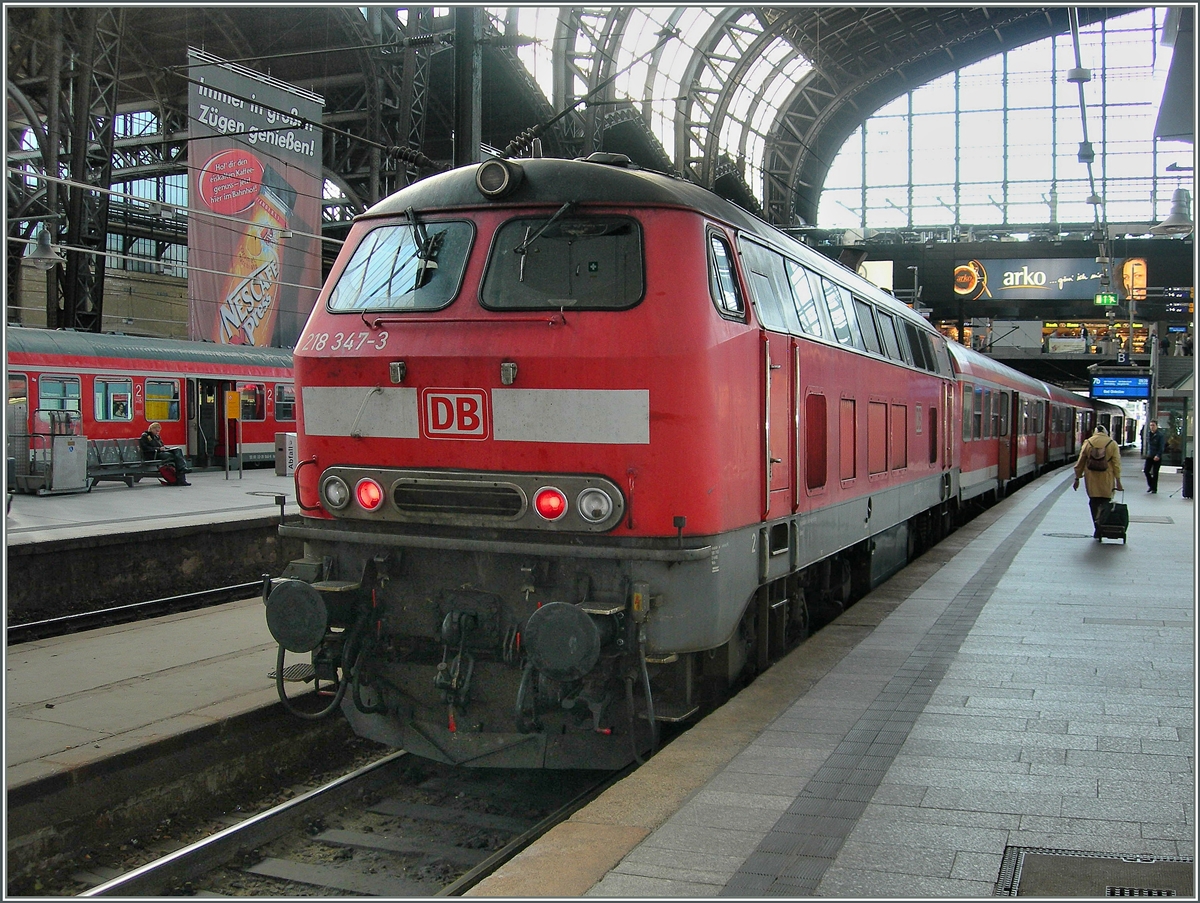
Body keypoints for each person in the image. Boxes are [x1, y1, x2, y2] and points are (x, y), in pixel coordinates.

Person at [1073, 424, 1122, 538]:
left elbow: (1080, 462)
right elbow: (1116, 464)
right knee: (1105, 503)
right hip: (1107, 478)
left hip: (1091, 478)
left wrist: (1077, 478)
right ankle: (1103, 525)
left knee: (1093, 502)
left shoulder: (1088, 442)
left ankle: (1097, 527)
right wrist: (1118, 481)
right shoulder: (1112, 443)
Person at [139, 422, 191, 486]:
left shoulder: (157, 436)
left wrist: (165, 448)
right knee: (176, 458)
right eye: (156, 431)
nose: (157, 432)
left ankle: (182, 469)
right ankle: (182, 475)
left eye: (158, 431)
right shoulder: (145, 436)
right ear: (152, 429)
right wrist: (158, 449)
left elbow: (161, 445)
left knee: (178, 450)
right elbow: (145, 448)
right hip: (153, 454)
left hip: (160, 452)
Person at [1143, 419, 1165, 493]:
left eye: (1153, 425)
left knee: (1155, 472)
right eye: (1150, 425)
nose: (1152, 427)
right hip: (1150, 455)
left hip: (1157, 456)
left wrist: (1158, 455)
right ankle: (1151, 485)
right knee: (1146, 471)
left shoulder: (1160, 435)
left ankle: (1154, 488)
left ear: (1156, 426)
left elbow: (1161, 447)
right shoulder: (1149, 434)